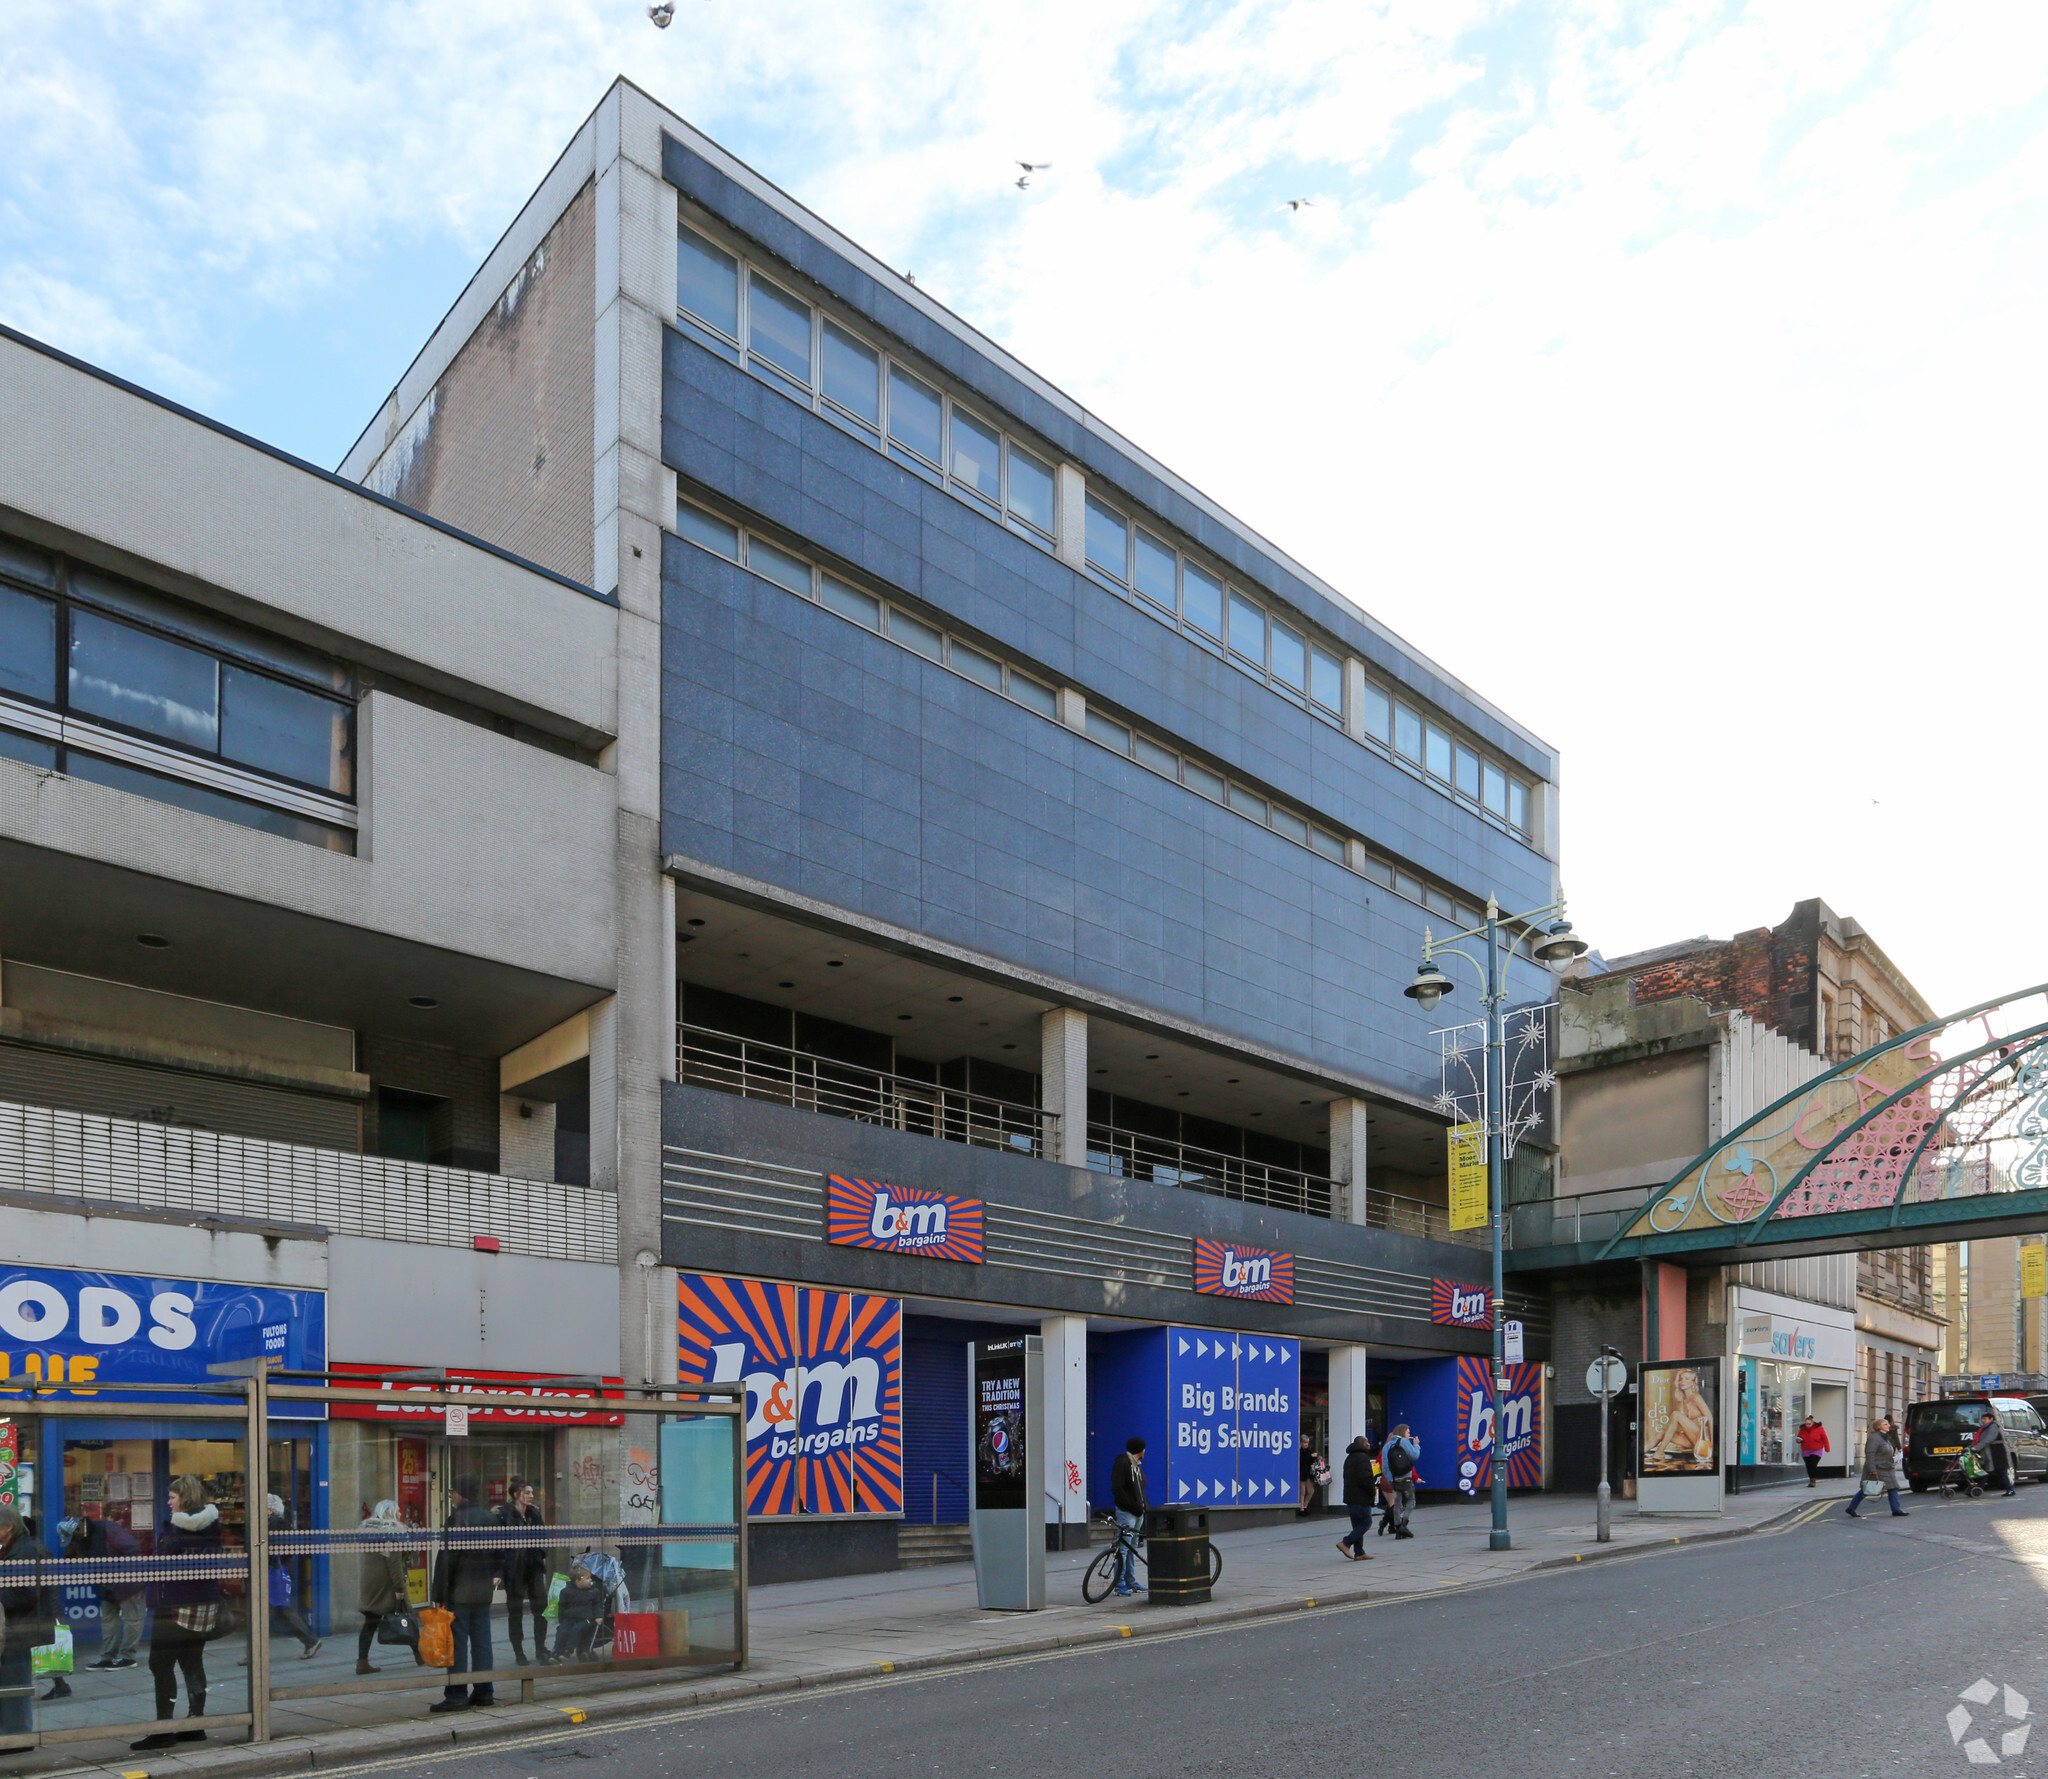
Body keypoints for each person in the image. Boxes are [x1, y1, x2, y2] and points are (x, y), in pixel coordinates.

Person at [133, 1476, 221, 1752]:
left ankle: (164, 1729)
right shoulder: (211, 1525)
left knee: (160, 1664)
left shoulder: (180, 1527)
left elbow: (169, 1564)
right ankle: (195, 1724)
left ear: (186, 1497)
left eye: (172, 1497)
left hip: (175, 1604)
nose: (169, 1502)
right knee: (192, 1661)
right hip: (202, 1603)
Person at [428, 1474, 500, 1713]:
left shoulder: (457, 1519)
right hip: (483, 1591)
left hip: (460, 1592)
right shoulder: (491, 1518)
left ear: (461, 1494)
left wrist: (439, 1592)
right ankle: (484, 1692)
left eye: (452, 1492)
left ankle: (457, 1694)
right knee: (482, 1644)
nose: (450, 1495)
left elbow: (447, 1560)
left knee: (457, 1645)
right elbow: (501, 1552)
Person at [0, 1503, 58, 1738]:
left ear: (8, 1527)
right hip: (13, 1629)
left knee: (15, 1688)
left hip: (22, 1630)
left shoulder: (26, 1551)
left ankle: (19, 1738)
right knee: (9, 1687)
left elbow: (24, 1595)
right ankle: (11, 1736)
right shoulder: (12, 1549)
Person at [355, 1500, 420, 1676]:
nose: (400, 1515)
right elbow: (394, 1564)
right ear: (390, 1513)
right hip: (387, 1582)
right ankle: (420, 1655)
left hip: (370, 1581)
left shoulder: (369, 1532)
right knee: (408, 1617)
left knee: (370, 1621)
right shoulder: (393, 1533)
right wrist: (399, 1588)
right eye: (398, 1511)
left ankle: (362, 1662)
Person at [72, 1514, 144, 1671]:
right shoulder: (85, 1537)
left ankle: (127, 1657)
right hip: (108, 1583)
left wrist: (121, 1578)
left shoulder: (107, 1529)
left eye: (72, 1536)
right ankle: (107, 1657)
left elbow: (132, 1550)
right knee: (109, 1620)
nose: (72, 1542)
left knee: (131, 1619)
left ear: (78, 1529)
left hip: (128, 1582)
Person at [498, 1479, 552, 1666]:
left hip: (534, 1567)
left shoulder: (534, 1513)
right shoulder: (505, 1515)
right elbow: (499, 1545)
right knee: (515, 1611)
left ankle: (540, 1648)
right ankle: (519, 1651)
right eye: (527, 1492)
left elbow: (543, 1536)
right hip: (515, 1570)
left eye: (531, 1492)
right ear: (516, 1495)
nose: (531, 1496)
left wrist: (542, 1552)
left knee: (541, 1608)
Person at [264, 1495, 323, 1661]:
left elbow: (280, 1549)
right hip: (274, 1569)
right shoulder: (277, 1522)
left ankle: (311, 1641)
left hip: (273, 1570)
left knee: (279, 1609)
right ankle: (254, 1651)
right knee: (276, 1610)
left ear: (269, 1508)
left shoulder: (275, 1523)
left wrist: (273, 1561)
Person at [1845, 1416, 1909, 1519]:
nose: (1888, 1425)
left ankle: (1896, 1509)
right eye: (1885, 1424)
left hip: (1887, 1468)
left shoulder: (1885, 1438)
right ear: (1879, 1427)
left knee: (1893, 1488)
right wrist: (1872, 1470)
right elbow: (1870, 1454)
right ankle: (1851, 1508)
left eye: (1888, 1424)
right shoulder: (1874, 1438)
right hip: (1878, 1468)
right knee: (1868, 1489)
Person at [1109, 1437, 1148, 1597]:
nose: (1145, 1451)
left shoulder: (1136, 1466)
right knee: (1124, 1549)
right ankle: (1120, 1585)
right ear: (1140, 1450)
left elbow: (1141, 1488)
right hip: (1128, 1513)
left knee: (1131, 1549)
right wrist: (1133, 1506)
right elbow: (1117, 1489)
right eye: (1144, 1449)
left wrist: (1143, 1507)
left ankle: (1130, 1582)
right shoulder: (1123, 1463)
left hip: (1138, 1512)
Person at [1335, 1436, 1377, 1561]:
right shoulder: (1363, 1458)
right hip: (1361, 1496)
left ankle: (1359, 1552)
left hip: (1350, 1496)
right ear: (1363, 1444)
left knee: (1357, 1524)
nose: (1369, 1444)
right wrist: (1372, 1491)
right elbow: (1366, 1478)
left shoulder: (1349, 1458)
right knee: (1366, 1522)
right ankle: (1346, 1543)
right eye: (1367, 1442)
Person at [553, 1561, 602, 1663]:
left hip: (587, 1619)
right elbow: (562, 1606)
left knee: (576, 1630)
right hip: (570, 1617)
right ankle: (556, 1652)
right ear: (578, 1581)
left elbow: (597, 1604)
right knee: (562, 1630)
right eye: (587, 1578)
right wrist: (561, 1619)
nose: (590, 1580)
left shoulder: (593, 1591)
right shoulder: (566, 1592)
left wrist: (598, 1616)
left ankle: (567, 1651)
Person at [1381, 1424, 1419, 1539]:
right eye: (1408, 1432)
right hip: (1405, 1478)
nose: (1409, 1435)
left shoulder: (1387, 1446)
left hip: (1394, 1479)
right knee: (1411, 1502)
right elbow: (1414, 1456)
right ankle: (1403, 1524)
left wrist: (1390, 1478)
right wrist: (1416, 1445)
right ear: (1402, 1433)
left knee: (1397, 1503)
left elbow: (1385, 1466)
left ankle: (1397, 1527)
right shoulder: (1404, 1442)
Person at [1974, 1410, 2017, 1499]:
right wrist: (1970, 1447)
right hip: (1991, 1453)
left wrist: (1976, 1448)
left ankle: (2010, 1489)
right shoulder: (1984, 1428)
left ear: (1991, 1419)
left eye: (1985, 1419)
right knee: (1987, 1471)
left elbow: (1988, 1439)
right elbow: (1979, 1440)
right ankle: (1977, 1490)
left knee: (2000, 1471)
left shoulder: (1993, 1427)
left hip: (1998, 1453)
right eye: (1982, 1419)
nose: (1983, 1420)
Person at [1797, 1417, 1830, 1488]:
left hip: (1817, 1449)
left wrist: (1827, 1448)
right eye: (1806, 1424)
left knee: (1813, 1463)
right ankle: (1811, 1479)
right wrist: (1799, 1440)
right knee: (1809, 1466)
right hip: (1806, 1450)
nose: (1808, 1425)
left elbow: (1824, 1438)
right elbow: (1799, 1438)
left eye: (1809, 1424)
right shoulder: (1802, 1429)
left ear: (1812, 1423)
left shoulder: (1820, 1428)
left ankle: (1813, 1480)